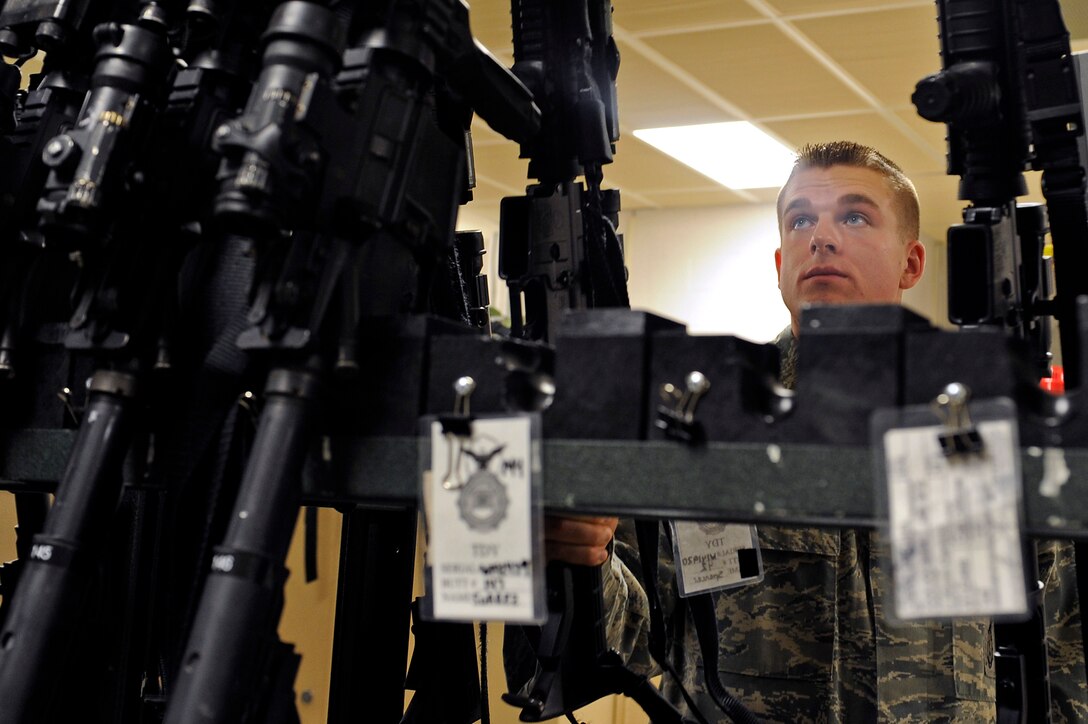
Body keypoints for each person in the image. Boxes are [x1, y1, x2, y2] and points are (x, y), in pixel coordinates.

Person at [528, 141, 1088, 722]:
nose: (821, 237)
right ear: (780, 266)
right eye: (800, 220)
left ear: (911, 262)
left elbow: (1064, 656)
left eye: (855, 217)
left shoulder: (988, 432)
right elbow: (634, 637)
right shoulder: (701, 422)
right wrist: (580, 561)